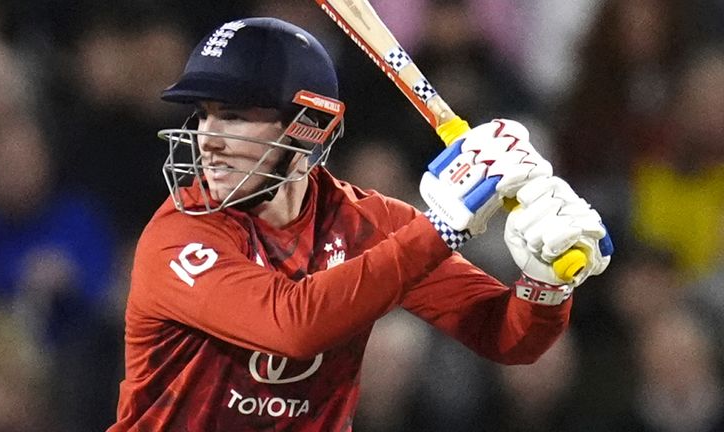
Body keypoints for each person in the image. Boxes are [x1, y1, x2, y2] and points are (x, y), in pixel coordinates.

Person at [109, 17, 611, 431]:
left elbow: (507, 338)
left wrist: (544, 285)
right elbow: (292, 325)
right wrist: (442, 227)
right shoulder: (178, 234)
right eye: (203, 115)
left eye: (234, 116)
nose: (206, 138)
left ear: (306, 129)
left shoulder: (366, 225)